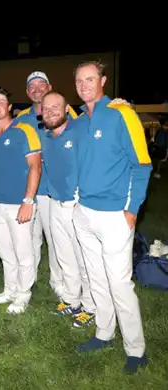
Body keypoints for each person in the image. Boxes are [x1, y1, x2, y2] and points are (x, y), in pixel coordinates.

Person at [71, 60, 151, 374]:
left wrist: (132, 209)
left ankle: (136, 350)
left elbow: (142, 165)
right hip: (85, 213)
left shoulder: (122, 114)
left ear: (103, 80)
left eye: (90, 79)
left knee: (119, 283)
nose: (84, 85)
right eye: (79, 80)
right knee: (96, 279)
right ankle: (104, 333)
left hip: (115, 215)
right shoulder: (79, 120)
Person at [13, 71, 77, 298]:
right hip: (30, 190)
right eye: (32, 86)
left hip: (55, 191)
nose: (37, 89)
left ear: (49, 87)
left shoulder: (67, 115)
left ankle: (58, 281)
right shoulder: (20, 119)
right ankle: (28, 282)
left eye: (41, 85)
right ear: (27, 92)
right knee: (31, 239)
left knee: (56, 240)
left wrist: (117, 107)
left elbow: (88, 126)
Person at [39, 91, 95, 328]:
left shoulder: (80, 129)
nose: (51, 112)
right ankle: (72, 300)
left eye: (56, 107)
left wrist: (118, 104)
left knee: (84, 258)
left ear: (67, 109)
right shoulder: (45, 137)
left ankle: (91, 306)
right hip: (54, 202)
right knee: (64, 256)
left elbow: (100, 114)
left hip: (77, 203)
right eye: (46, 108)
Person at [0, 88, 41, 314]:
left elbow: (35, 166)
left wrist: (28, 200)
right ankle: (9, 290)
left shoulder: (24, 130)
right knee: (5, 251)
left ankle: (23, 294)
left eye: (1, 102)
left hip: (20, 202)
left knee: (23, 252)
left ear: (9, 107)